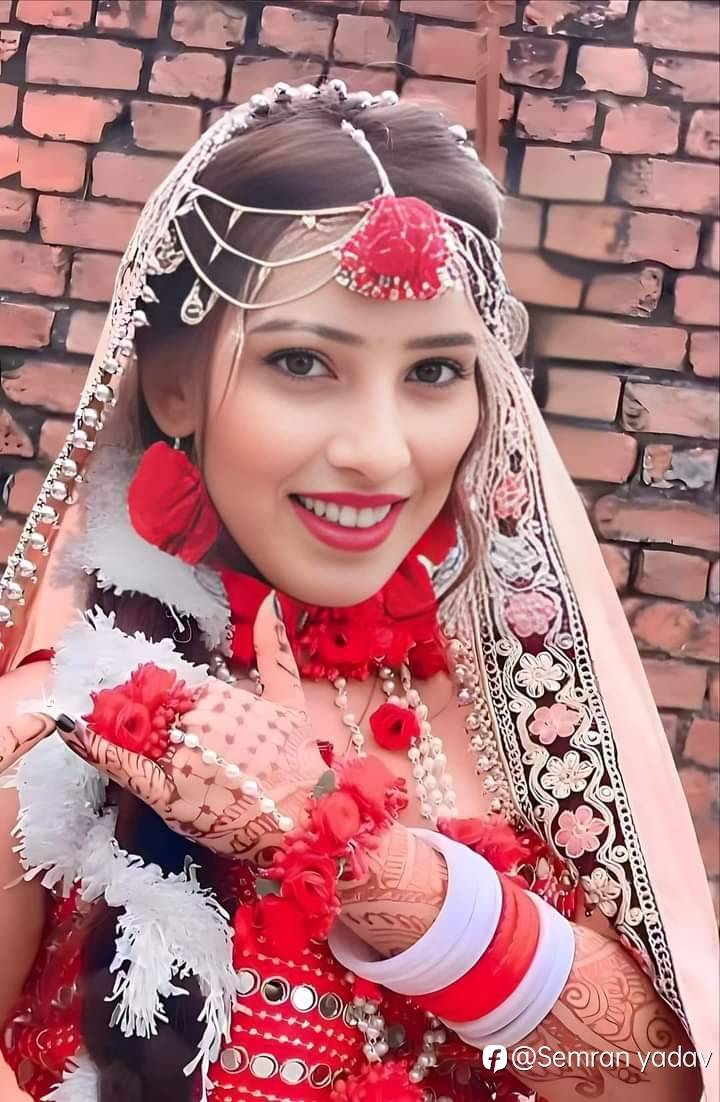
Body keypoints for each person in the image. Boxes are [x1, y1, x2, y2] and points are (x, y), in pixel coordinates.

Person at [0, 82, 716, 1102]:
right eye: (303, 362)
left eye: (434, 373)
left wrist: (348, 851)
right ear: (172, 386)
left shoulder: (529, 715)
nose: (380, 453)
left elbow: (665, 1081)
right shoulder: (55, 732)